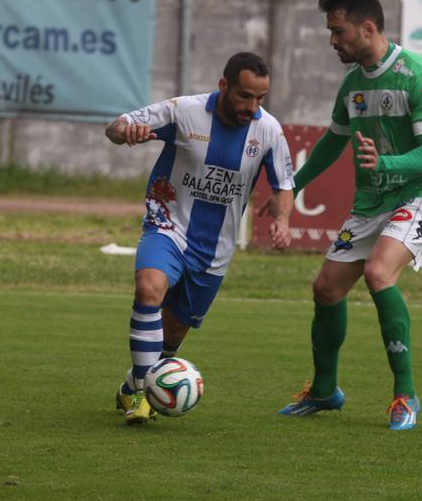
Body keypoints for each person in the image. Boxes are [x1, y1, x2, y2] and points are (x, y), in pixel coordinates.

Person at [278, 0, 422, 431]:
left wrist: (385, 162)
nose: (332, 41)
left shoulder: (418, 75)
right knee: (326, 288)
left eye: (338, 31)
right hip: (374, 197)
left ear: (368, 27)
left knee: (379, 273)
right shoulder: (353, 85)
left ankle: (406, 395)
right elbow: (332, 143)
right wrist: (292, 186)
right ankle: (324, 392)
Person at [107, 51, 295, 425]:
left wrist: (283, 219)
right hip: (168, 226)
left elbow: (284, 184)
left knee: (173, 333)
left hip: (215, 251)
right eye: (245, 96)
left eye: (260, 98)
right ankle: (143, 396)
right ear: (223, 85)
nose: (252, 106)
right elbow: (117, 126)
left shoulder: (268, 130)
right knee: (149, 289)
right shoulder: (184, 111)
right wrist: (127, 132)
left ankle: (132, 384)